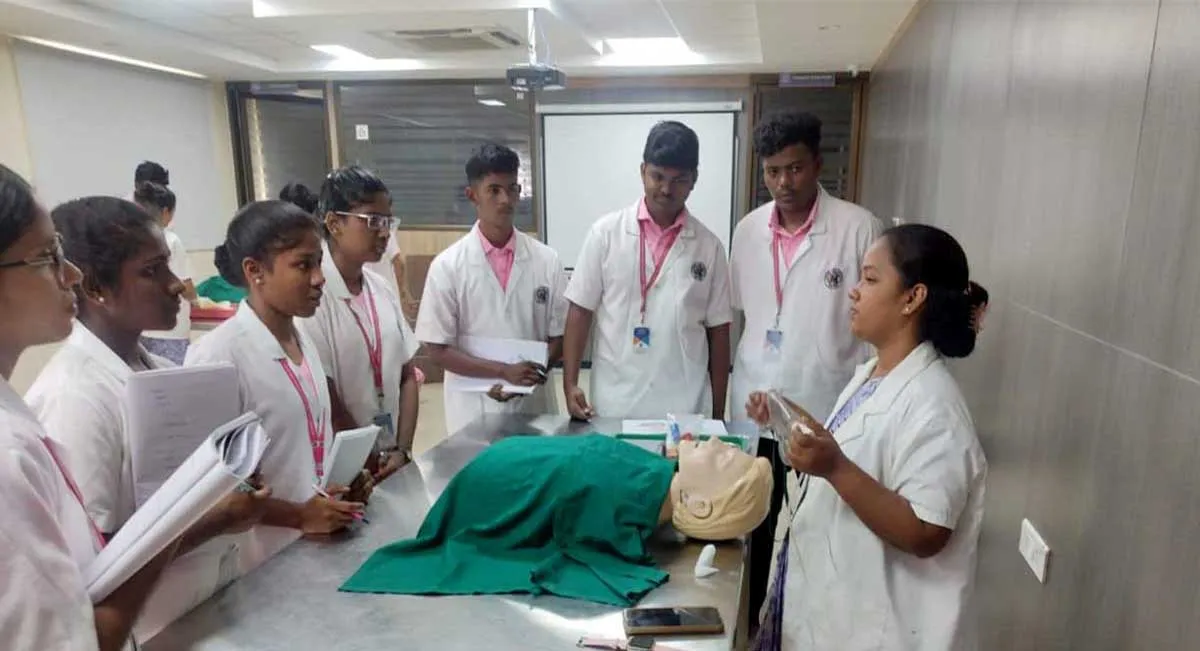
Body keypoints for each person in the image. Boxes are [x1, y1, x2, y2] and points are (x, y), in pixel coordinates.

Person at [0, 164, 266, 650]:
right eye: (48, 257)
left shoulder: (151, 373)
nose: (71, 275)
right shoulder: (67, 401)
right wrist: (206, 518)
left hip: (196, 611)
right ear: (98, 290)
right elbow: (92, 581)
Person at [746, 224, 989, 651]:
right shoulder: (874, 373)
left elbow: (926, 531)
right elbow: (848, 446)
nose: (854, 292)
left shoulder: (936, 406)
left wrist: (835, 468)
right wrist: (786, 418)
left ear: (912, 298)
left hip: (877, 631)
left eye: (871, 279)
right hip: (824, 612)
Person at [730, 111, 883, 623]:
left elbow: (873, 325)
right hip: (756, 406)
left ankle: (806, 627)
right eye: (773, 171)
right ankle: (755, 625)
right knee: (755, 523)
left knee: (816, 533)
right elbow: (747, 314)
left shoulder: (858, 228)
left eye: (794, 169)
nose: (784, 183)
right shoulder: (748, 230)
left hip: (824, 410)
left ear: (818, 164)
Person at [342, 435, 772, 606]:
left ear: (700, 506)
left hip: (504, 484)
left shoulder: (631, 503)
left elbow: (584, 522)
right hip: (504, 471)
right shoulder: (652, 481)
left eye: (723, 456)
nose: (715, 441)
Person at [186, 200, 366, 571]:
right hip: (257, 562)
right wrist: (299, 515)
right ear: (255, 271)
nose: (319, 278)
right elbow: (211, 489)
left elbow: (298, 448)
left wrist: (337, 487)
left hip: (316, 547)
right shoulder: (219, 356)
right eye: (303, 265)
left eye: (319, 263)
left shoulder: (303, 340)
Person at [562, 120, 732, 421]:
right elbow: (580, 311)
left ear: (694, 179)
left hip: (685, 406)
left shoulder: (710, 247)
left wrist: (718, 414)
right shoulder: (605, 234)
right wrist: (570, 382)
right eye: (658, 176)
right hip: (615, 402)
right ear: (643, 171)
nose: (666, 189)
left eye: (679, 180)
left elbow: (719, 333)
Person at [415, 143, 567, 435]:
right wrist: (501, 373)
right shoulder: (447, 266)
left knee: (537, 462)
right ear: (472, 195)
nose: (505, 200)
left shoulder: (547, 260)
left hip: (533, 402)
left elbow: (558, 336)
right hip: (473, 407)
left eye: (512, 189)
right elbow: (437, 349)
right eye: (494, 190)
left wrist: (530, 374)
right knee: (479, 462)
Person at [298, 166, 420, 479]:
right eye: (373, 221)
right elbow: (326, 397)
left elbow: (407, 374)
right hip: (342, 466)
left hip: (391, 457)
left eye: (388, 221)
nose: (385, 233)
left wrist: (403, 449)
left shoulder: (381, 288)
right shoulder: (313, 298)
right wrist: (367, 460)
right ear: (334, 224)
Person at [132, 182, 196, 364]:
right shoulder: (171, 241)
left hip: (142, 329)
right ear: (166, 212)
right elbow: (185, 286)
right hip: (171, 331)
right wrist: (195, 299)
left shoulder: (132, 240)